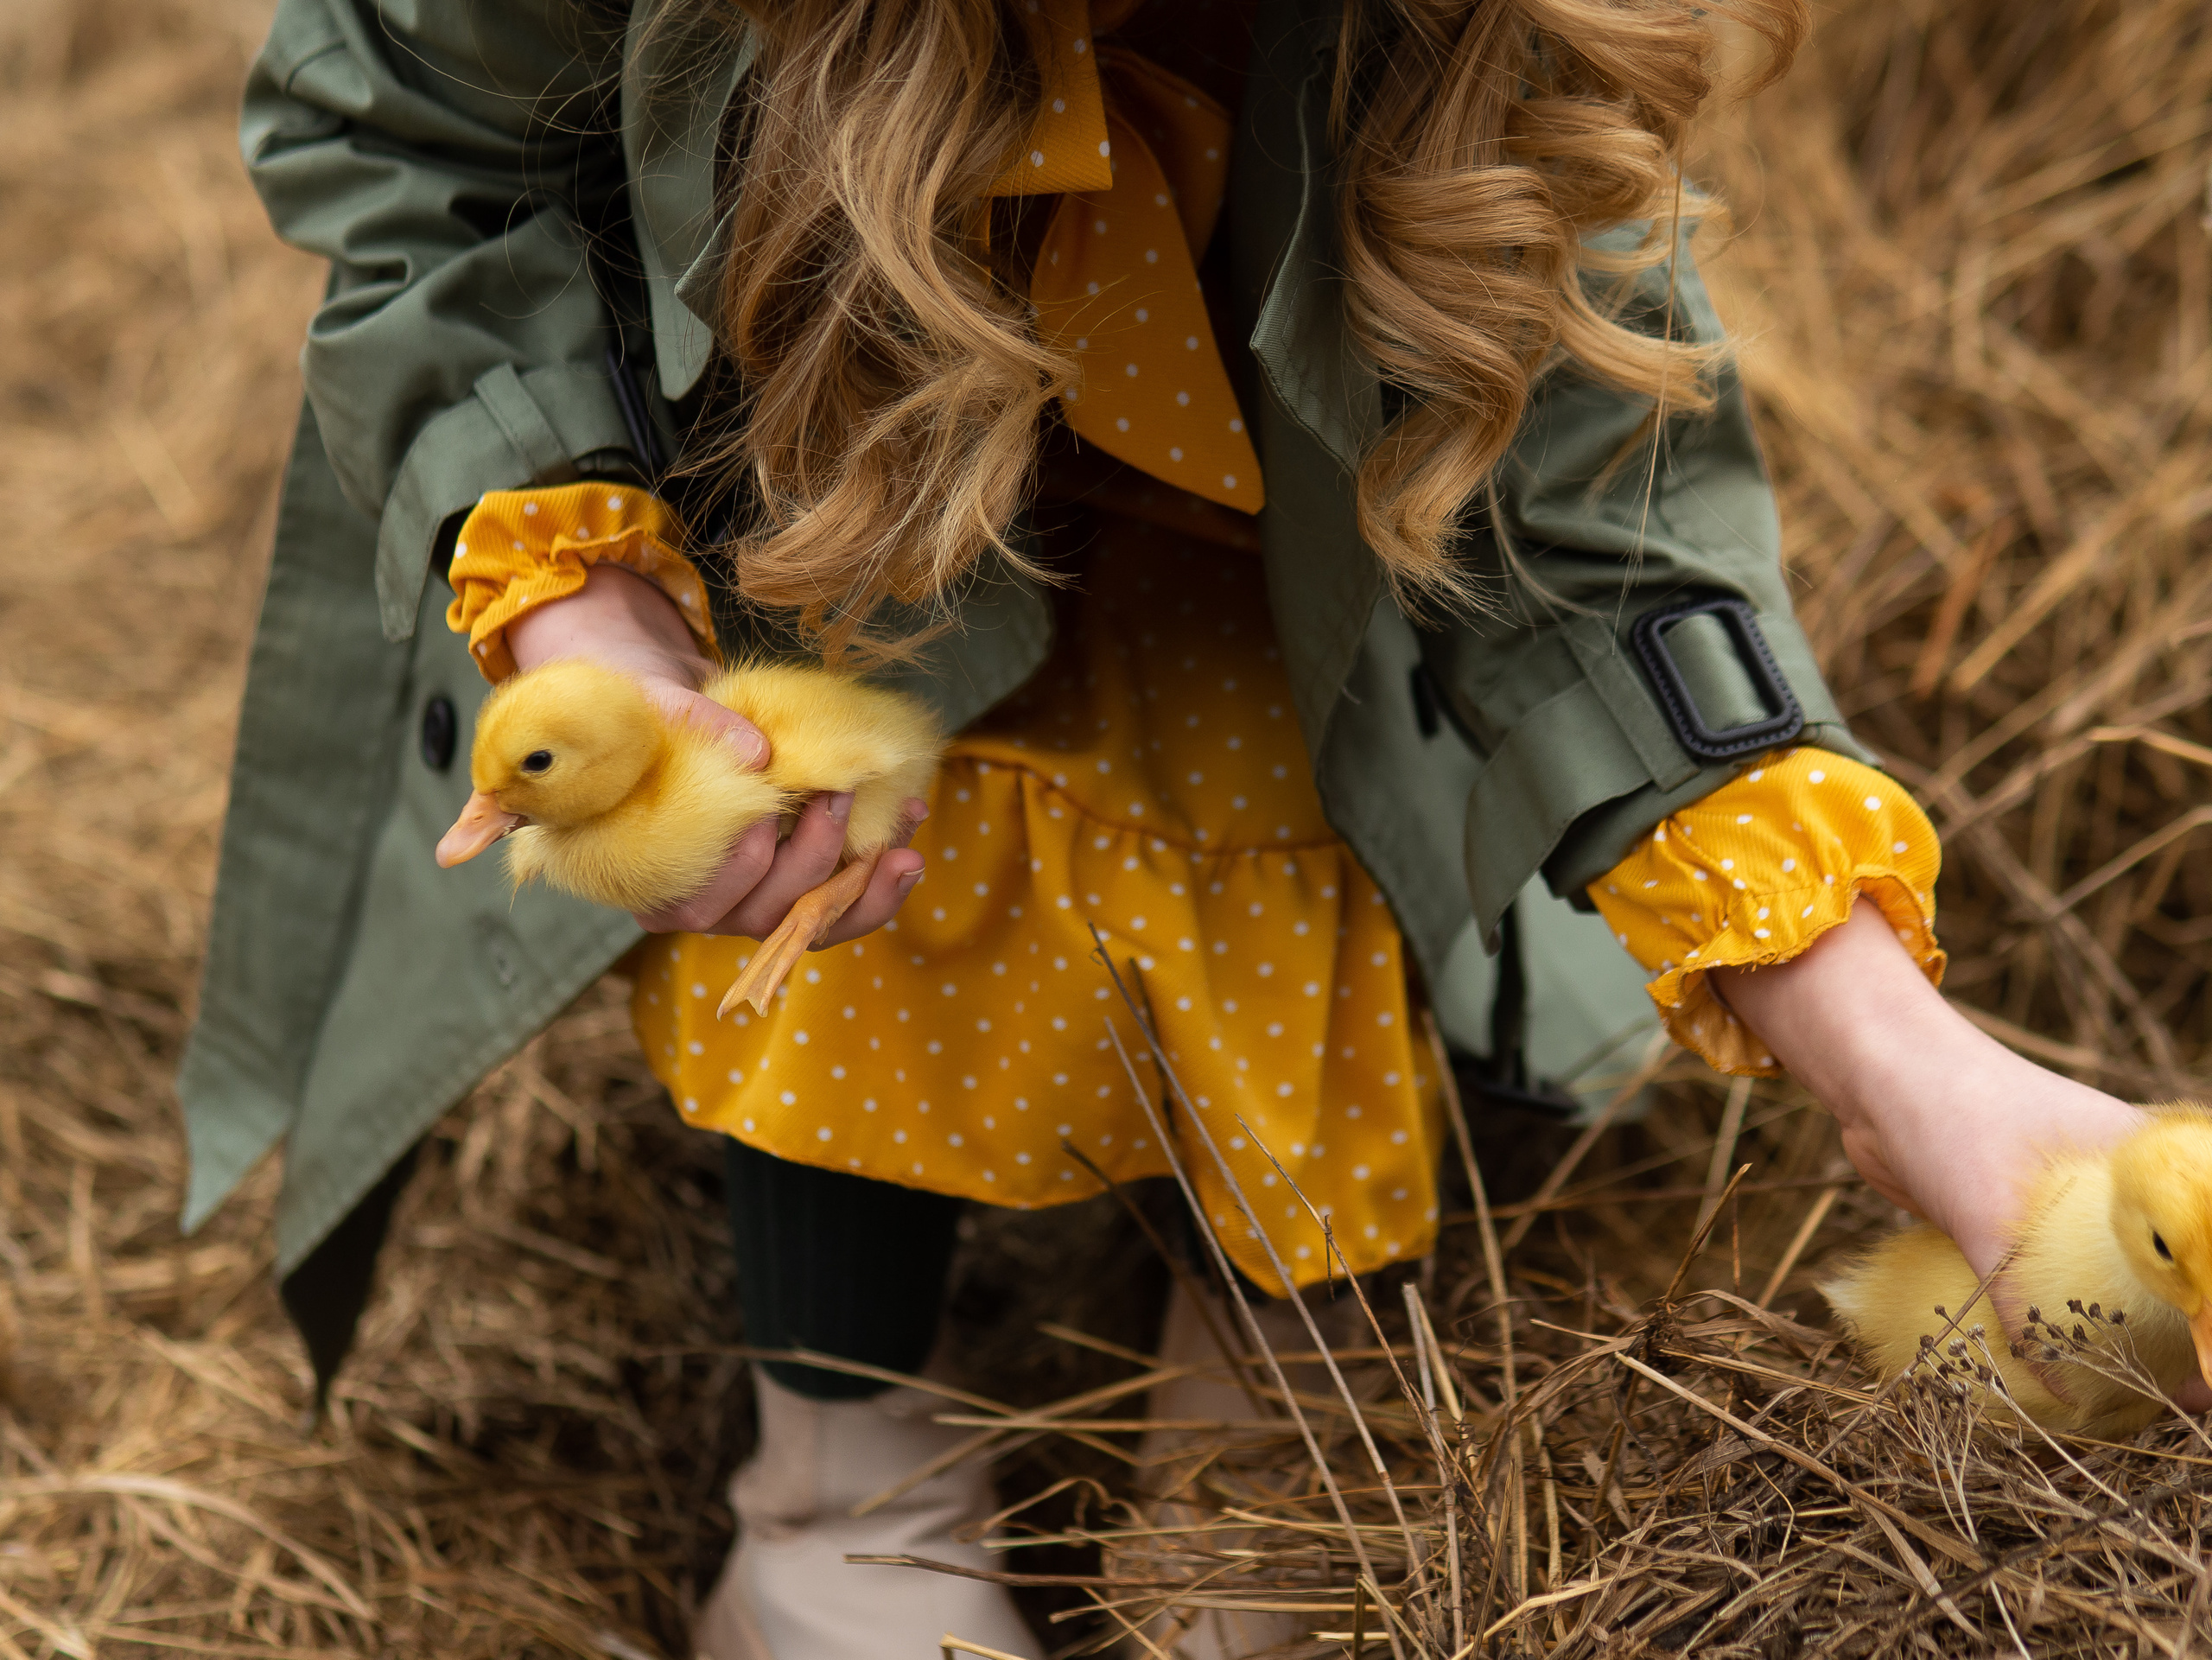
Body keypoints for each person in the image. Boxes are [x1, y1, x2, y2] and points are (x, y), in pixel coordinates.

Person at [179, 0, 2172, 1654]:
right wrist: (583, 592)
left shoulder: (1490, 41)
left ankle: (1254, 1445)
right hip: (828, 498)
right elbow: (412, 142)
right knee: (857, 895)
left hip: (1280, 574)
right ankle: (836, 1480)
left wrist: (1902, 1064)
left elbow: (1601, 540)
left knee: (1294, 894)